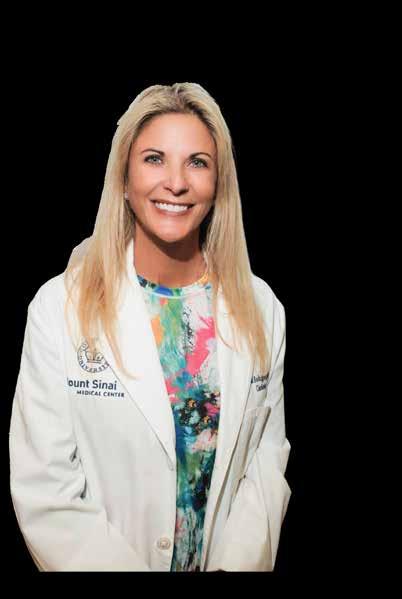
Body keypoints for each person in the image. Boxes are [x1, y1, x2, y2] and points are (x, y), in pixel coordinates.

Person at [9, 82, 291, 572]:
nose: (176, 183)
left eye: (197, 162)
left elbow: (266, 463)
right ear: (124, 177)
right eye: (155, 159)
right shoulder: (59, 308)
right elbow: (46, 489)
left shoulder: (261, 308)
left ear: (218, 183)